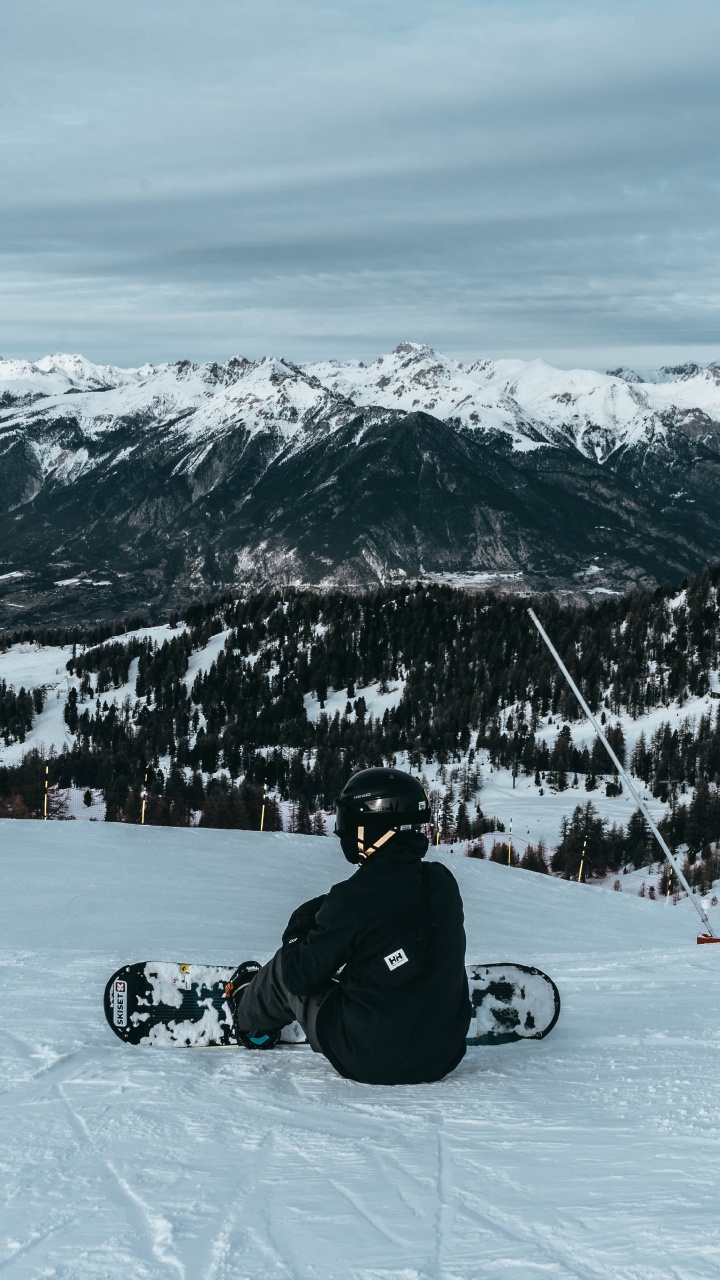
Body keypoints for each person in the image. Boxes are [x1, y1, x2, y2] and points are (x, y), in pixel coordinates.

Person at [227, 767, 472, 1085]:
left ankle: (251, 1024)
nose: (341, 832)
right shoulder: (442, 882)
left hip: (368, 1058)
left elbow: (299, 976)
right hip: (442, 1057)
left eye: (345, 821)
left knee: (284, 971)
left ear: (369, 826)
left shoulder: (354, 899)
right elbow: (388, 911)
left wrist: (297, 934)